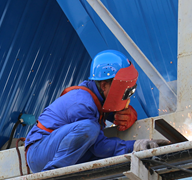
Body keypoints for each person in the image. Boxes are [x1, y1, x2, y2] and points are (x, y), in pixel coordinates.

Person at [25, 50, 168, 173]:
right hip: (39, 152)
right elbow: (99, 147)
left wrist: (130, 114)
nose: (126, 93)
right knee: (90, 129)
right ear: (104, 85)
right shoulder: (82, 103)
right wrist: (135, 146)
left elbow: (115, 115)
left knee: (108, 155)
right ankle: (51, 176)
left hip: (59, 150)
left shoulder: (99, 98)